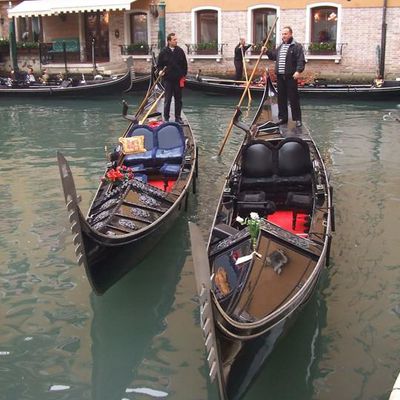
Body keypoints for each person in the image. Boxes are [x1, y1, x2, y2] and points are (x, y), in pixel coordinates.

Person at [265, 26, 305, 127]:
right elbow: (274, 56)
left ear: (291, 34)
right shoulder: (280, 46)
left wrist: (298, 71)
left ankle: (297, 119)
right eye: (282, 34)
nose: (283, 36)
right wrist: (266, 51)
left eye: (285, 34)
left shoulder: (297, 46)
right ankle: (283, 118)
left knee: (293, 98)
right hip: (280, 76)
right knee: (281, 98)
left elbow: (301, 60)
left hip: (291, 76)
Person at [157, 33, 188, 124]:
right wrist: (160, 71)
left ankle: (178, 117)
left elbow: (184, 65)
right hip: (168, 79)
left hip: (178, 79)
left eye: (176, 39)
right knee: (168, 99)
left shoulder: (180, 51)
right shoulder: (163, 52)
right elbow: (159, 65)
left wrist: (183, 75)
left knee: (178, 99)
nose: (176, 41)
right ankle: (166, 118)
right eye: (174, 40)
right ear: (169, 41)